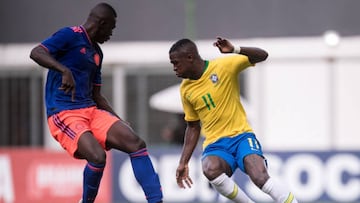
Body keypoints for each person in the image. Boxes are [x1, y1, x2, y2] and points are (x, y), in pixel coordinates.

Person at [29, 3, 163, 203]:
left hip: (91, 110)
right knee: (98, 157)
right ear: (102, 23)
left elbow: (97, 96)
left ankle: (156, 200)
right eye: (111, 28)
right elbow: (36, 52)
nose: (111, 34)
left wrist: (118, 120)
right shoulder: (69, 35)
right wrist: (63, 70)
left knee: (135, 143)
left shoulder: (97, 53)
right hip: (63, 112)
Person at [169, 37, 298, 203]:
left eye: (176, 63)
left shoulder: (223, 66)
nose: (174, 68)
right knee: (210, 168)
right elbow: (193, 127)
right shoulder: (185, 90)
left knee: (260, 177)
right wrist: (183, 162)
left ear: (190, 57)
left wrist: (235, 49)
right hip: (216, 144)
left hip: (242, 137)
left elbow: (263, 55)